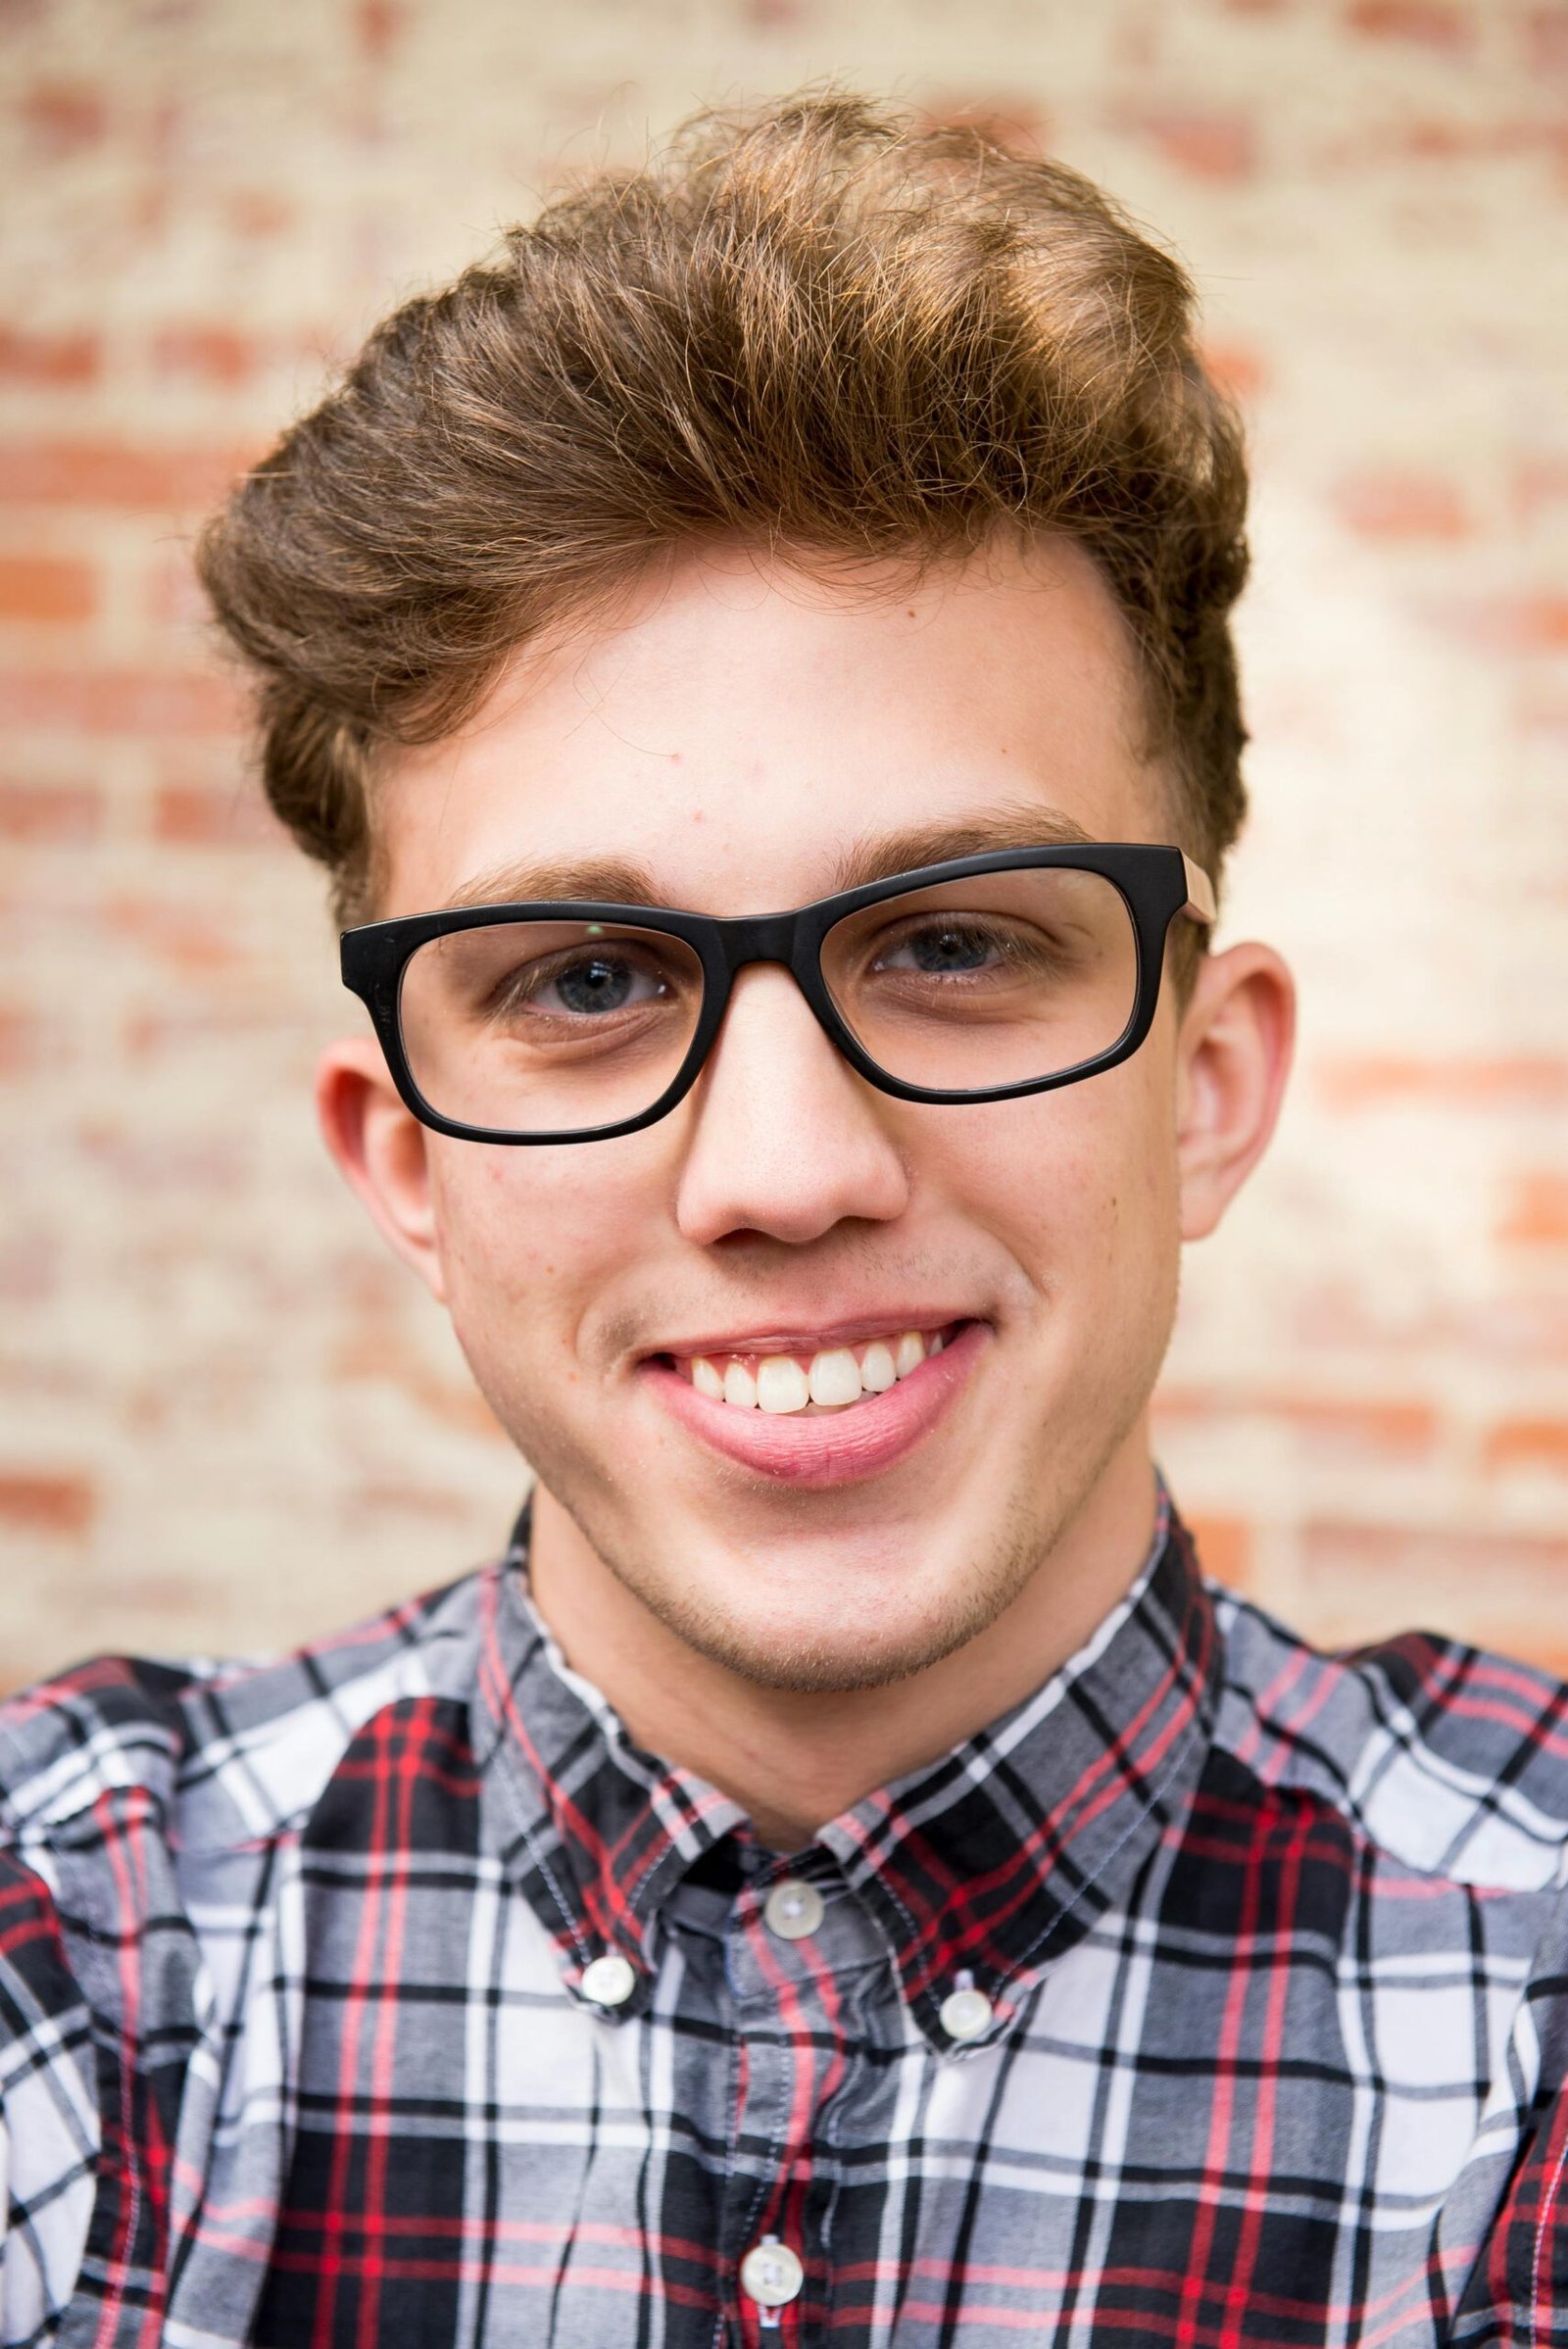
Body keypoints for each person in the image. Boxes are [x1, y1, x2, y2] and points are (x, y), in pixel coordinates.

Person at [2, 90, 1564, 2349]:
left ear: (1204, 1088)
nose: (781, 1169)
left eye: (949, 943)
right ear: (407, 1156)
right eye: (588, 982)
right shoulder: (80, 1954)